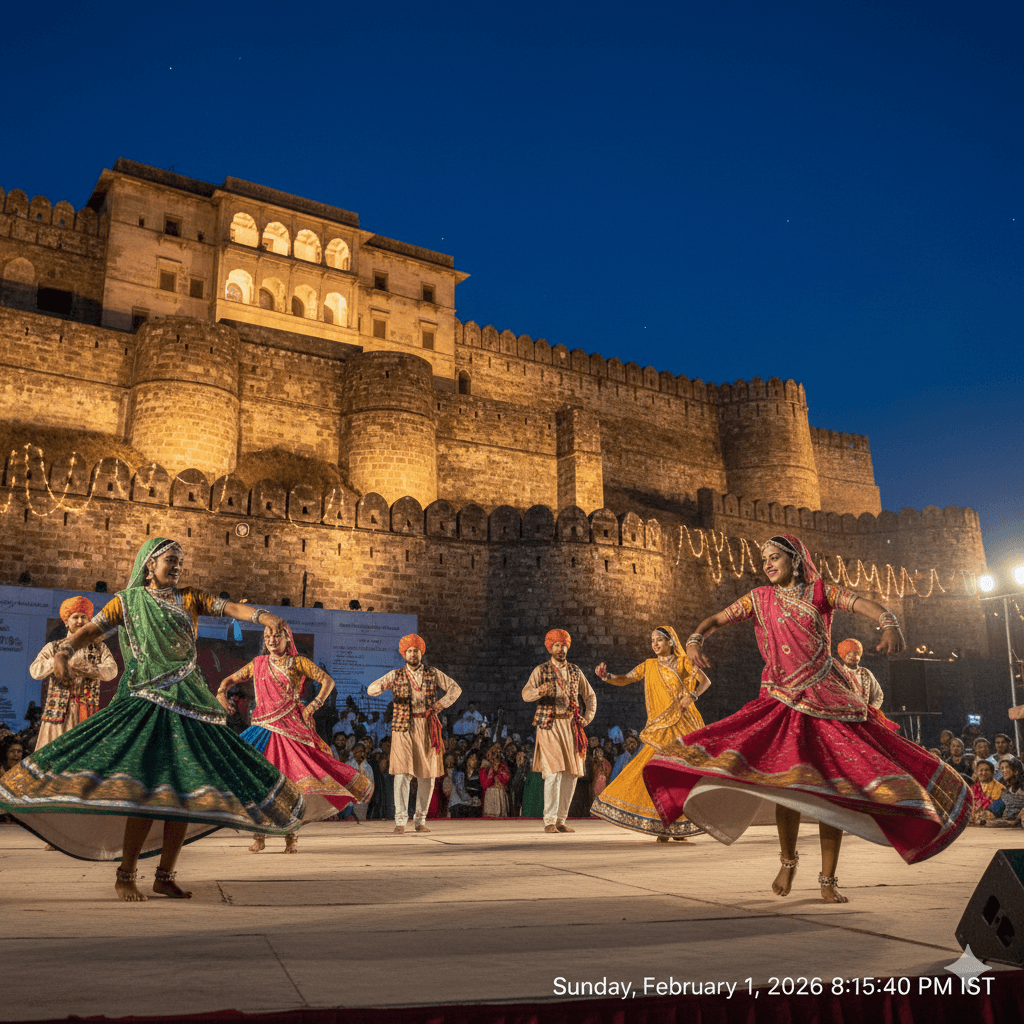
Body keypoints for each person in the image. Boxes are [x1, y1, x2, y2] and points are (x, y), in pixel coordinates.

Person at [644, 534, 971, 904]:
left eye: (774, 557)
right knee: (788, 786)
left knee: (832, 793)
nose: (767, 565)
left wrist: (888, 622)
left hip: (825, 701)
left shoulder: (820, 592)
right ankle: (788, 861)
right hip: (782, 700)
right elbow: (718, 619)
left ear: (796, 560)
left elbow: (860, 603)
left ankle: (828, 879)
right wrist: (694, 641)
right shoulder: (759, 598)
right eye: (764, 559)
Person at [0, 538, 305, 901]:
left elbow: (230, 608)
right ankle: (126, 875)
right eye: (170, 560)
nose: (177, 567)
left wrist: (263, 616)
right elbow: (92, 630)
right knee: (146, 793)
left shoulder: (189, 598)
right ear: (149, 564)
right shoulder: (127, 601)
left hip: (189, 703)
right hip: (148, 703)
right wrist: (64, 650)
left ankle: (164, 876)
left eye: (180, 562)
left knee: (182, 795)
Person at [215, 622, 372, 851]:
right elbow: (229, 681)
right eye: (268, 636)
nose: (272, 640)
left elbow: (327, 681)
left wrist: (313, 706)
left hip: (291, 731)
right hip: (263, 730)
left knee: (292, 786)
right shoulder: (258, 663)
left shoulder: (298, 662)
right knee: (258, 781)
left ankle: (291, 837)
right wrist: (221, 692)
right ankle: (259, 836)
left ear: (287, 638)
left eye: (277, 636)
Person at [593, 627, 709, 841]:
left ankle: (678, 826)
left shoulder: (683, 662)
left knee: (680, 776)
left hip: (683, 725)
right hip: (660, 729)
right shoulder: (649, 665)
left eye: (659, 640)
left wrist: (691, 696)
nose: (655, 644)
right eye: (652, 640)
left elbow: (705, 681)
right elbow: (625, 678)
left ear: (671, 642)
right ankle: (662, 825)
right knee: (657, 775)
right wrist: (607, 677)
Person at [366, 634, 461, 833]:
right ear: (404, 654)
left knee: (428, 775)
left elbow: (455, 689)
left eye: (416, 651)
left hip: (427, 726)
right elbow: (371, 690)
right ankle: (400, 820)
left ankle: (420, 819)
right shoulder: (395, 675)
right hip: (402, 727)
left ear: (421, 653)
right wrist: (383, 686)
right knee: (402, 773)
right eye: (409, 651)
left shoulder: (433, 673)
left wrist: (440, 705)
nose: (412, 654)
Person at [522, 629, 597, 834]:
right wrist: (539, 691)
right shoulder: (541, 670)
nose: (560, 649)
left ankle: (561, 820)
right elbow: (525, 694)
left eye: (563, 645)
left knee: (571, 774)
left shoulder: (575, 671)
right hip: (549, 725)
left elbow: (590, 696)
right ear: (550, 648)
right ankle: (549, 821)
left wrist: (587, 717)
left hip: (571, 726)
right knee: (553, 772)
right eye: (556, 645)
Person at [31, 597, 118, 748]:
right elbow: (35, 671)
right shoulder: (53, 647)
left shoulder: (99, 648)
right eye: (75, 617)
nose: (79, 621)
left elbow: (112, 671)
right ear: (66, 622)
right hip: (57, 714)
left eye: (84, 617)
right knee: (54, 755)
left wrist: (89, 669)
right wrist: (58, 661)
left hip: (86, 712)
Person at [836, 639, 884, 708]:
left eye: (856, 653)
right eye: (849, 654)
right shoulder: (838, 674)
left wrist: (871, 710)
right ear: (843, 656)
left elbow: (878, 695)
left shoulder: (866, 673)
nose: (853, 657)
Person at [968, 759, 1004, 825]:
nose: (984, 773)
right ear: (976, 772)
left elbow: (997, 811)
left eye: (987, 770)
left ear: (992, 773)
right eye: (981, 770)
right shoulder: (971, 789)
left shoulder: (999, 788)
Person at [480, 743, 511, 817]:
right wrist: (492, 769)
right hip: (490, 795)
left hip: (500, 794)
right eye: (494, 752)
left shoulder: (503, 765)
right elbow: (485, 784)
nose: (497, 754)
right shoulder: (485, 766)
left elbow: (506, 778)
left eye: (499, 752)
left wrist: (497, 768)